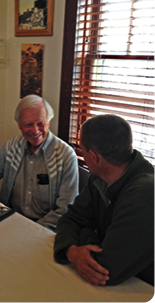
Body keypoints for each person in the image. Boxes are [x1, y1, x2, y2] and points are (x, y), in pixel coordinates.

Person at [54, 114, 155, 287]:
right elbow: (70, 218)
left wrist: (85, 235)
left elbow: (105, 269)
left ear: (94, 157)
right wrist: (73, 252)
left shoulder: (145, 193)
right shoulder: (100, 178)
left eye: (82, 149)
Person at [0, 95, 79, 231]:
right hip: (10, 221)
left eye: (40, 123)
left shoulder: (66, 156)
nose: (35, 130)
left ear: (48, 121)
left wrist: (33, 229)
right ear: (19, 125)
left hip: (45, 230)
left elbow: (65, 209)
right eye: (28, 124)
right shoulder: (12, 147)